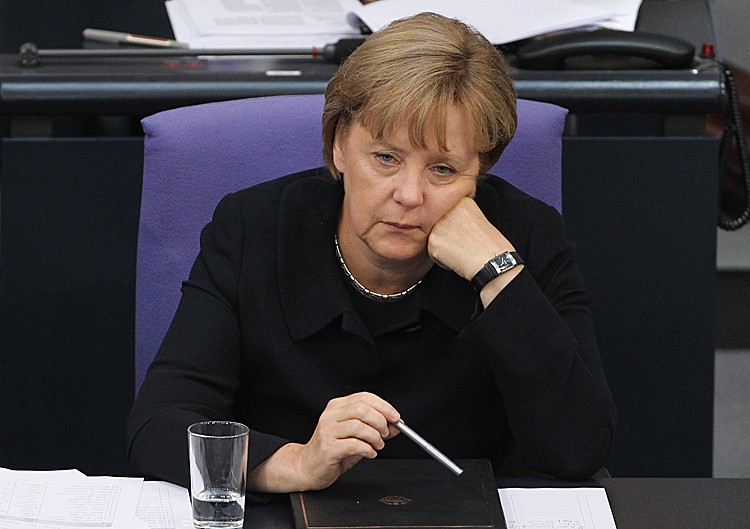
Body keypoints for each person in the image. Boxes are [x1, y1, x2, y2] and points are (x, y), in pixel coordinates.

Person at [127, 12, 616, 496]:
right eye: (386, 158)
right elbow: (159, 427)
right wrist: (293, 463)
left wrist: (498, 275)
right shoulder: (253, 229)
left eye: (443, 170)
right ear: (340, 146)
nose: (409, 195)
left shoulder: (523, 237)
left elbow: (578, 452)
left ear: (479, 170)